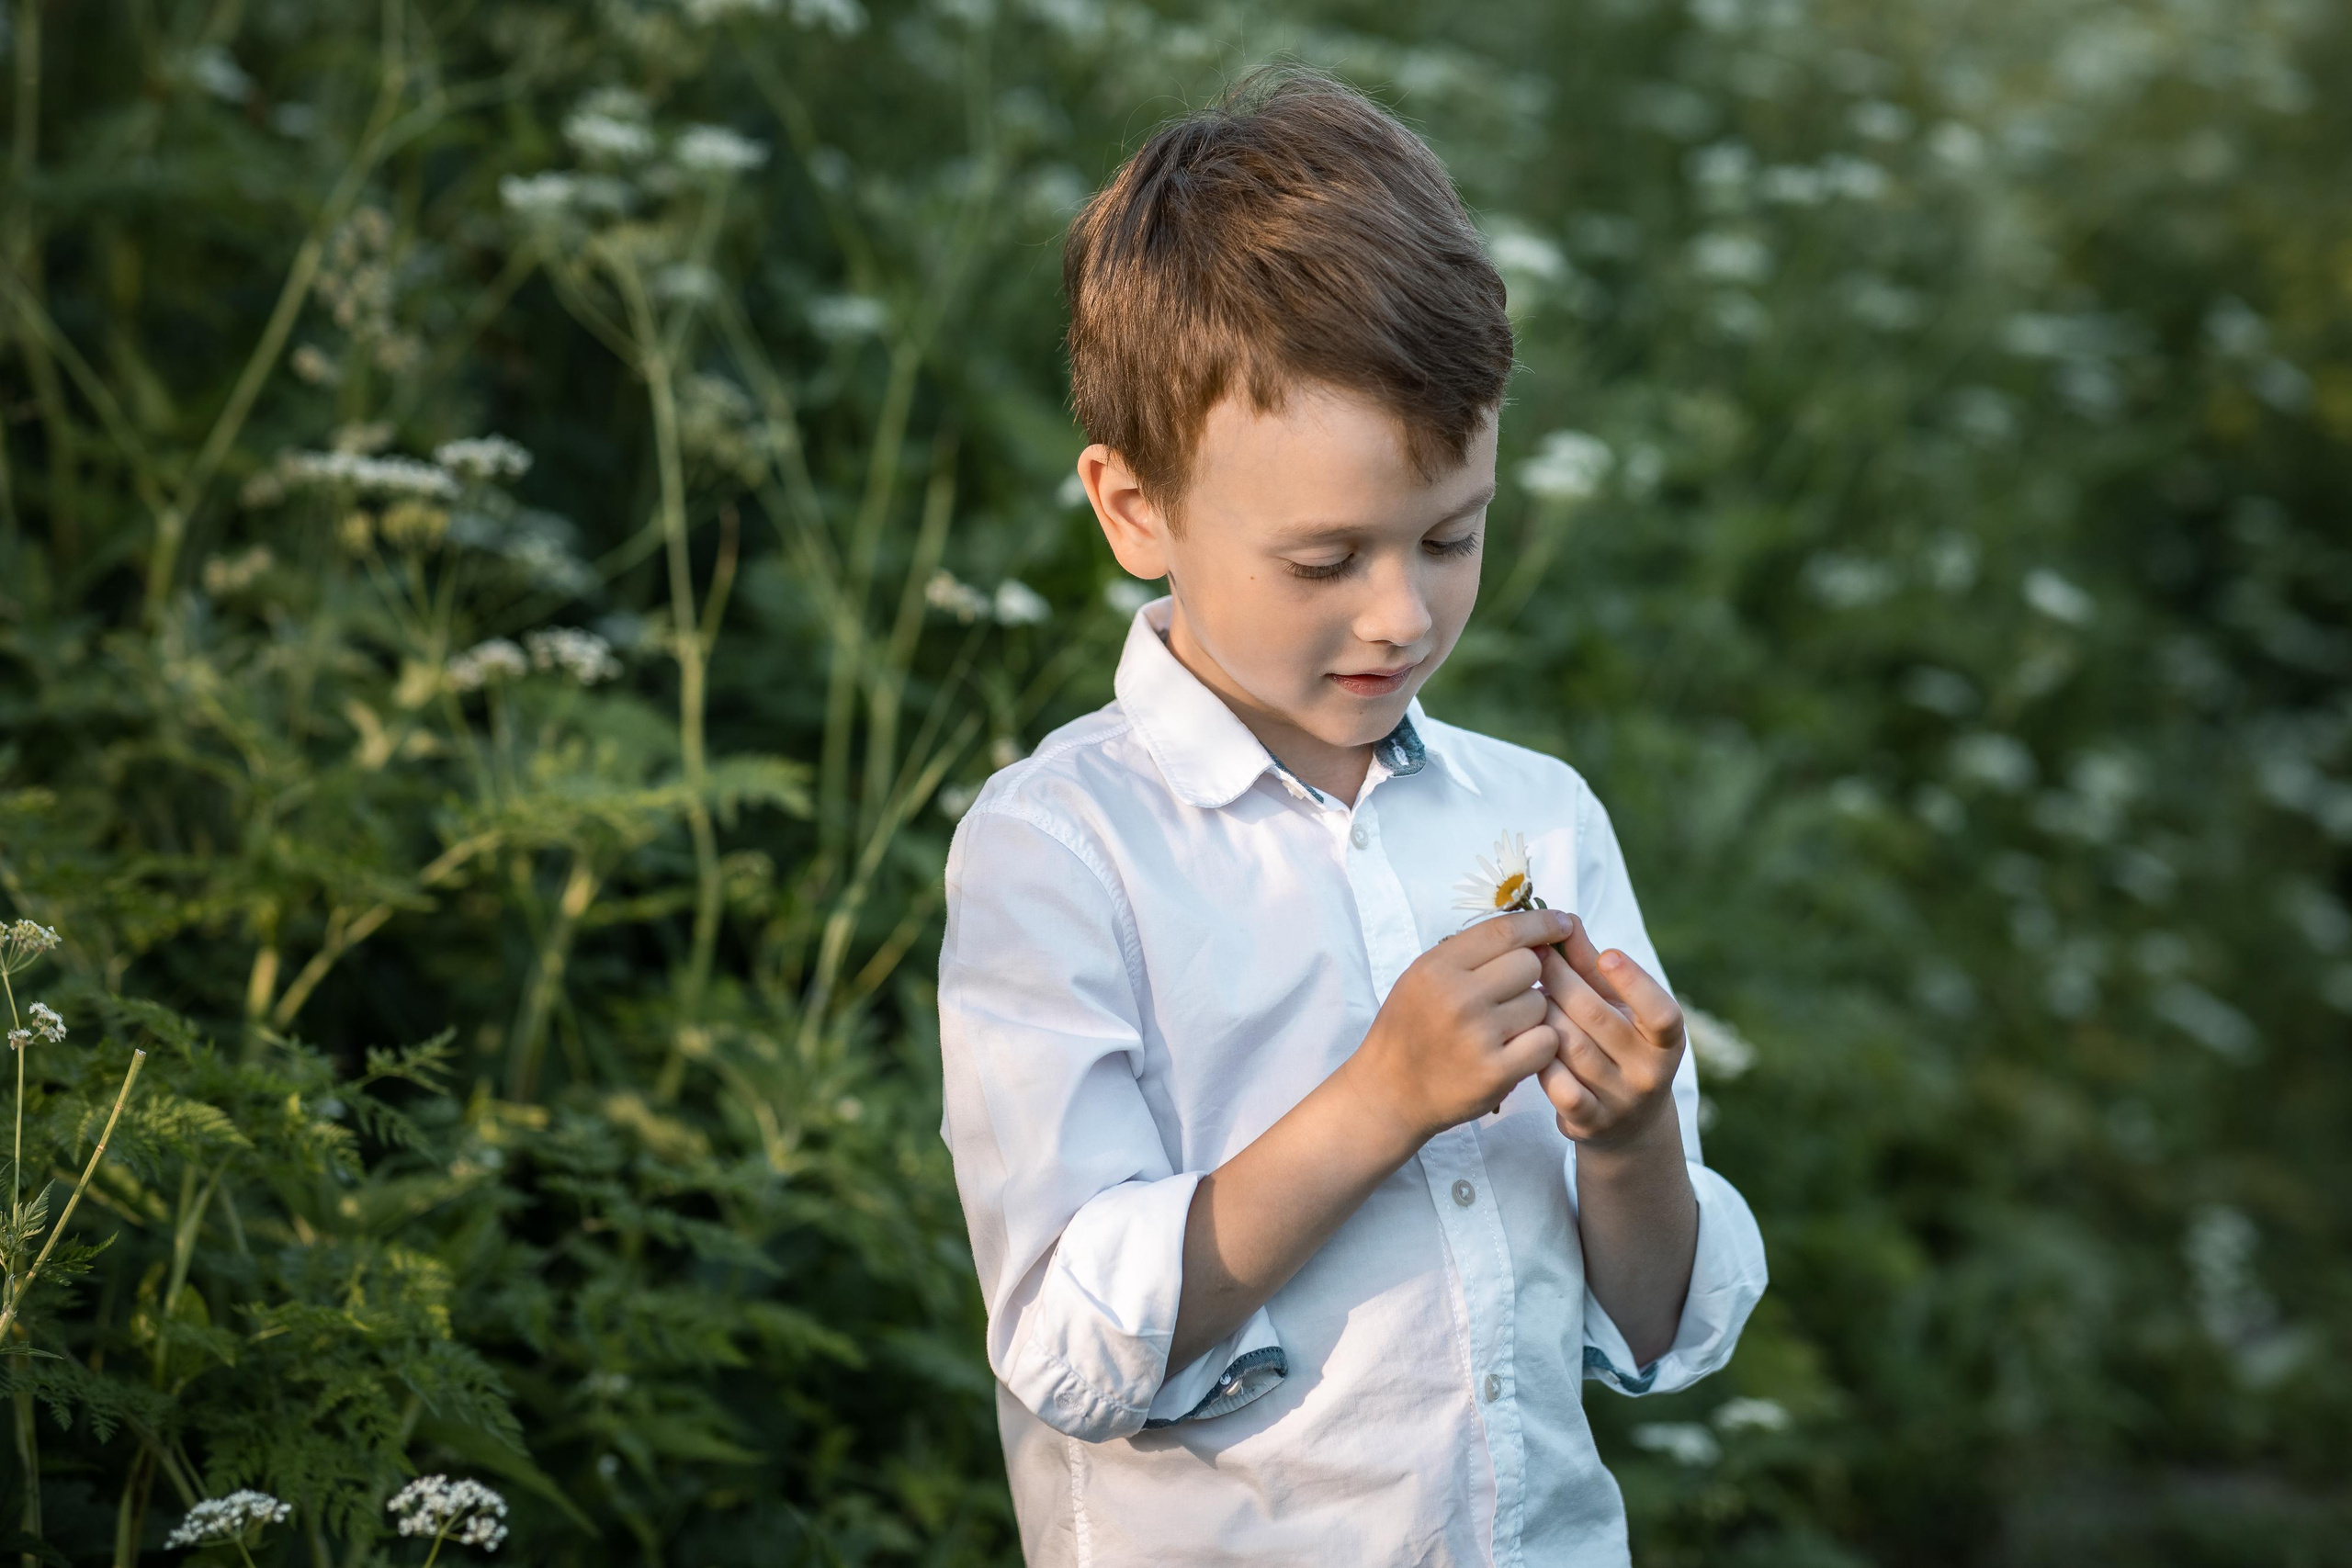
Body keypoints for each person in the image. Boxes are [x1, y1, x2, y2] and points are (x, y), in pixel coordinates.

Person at [935, 65, 1767, 1566]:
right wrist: (1382, 1098)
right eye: (1325, 560)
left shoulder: (1540, 816)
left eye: (1452, 535)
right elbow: (1066, 1338)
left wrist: (1634, 1140)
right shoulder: (1062, 850)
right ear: (1134, 509)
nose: (1402, 613)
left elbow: (1654, 1329)